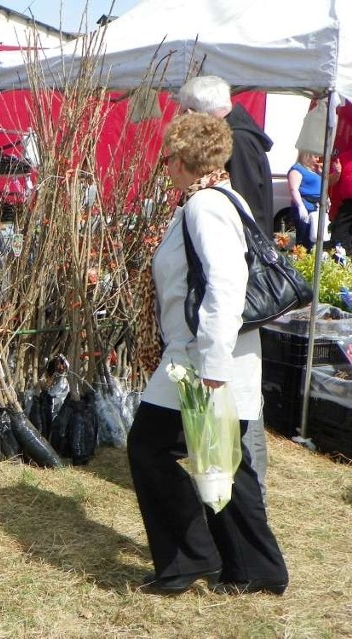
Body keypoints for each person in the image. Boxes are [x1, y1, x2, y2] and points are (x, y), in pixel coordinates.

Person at [129, 113, 288, 596]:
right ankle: (254, 569)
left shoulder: (205, 206)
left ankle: (193, 559)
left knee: (151, 447)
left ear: (180, 160)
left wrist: (213, 367)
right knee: (223, 461)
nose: (164, 166)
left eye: (167, 157)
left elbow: (223, 285)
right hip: (203, 356)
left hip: (204, 360)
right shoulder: (216, 199)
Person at [177, 75, 273, 502]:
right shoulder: (238, 140)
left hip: (236, 303)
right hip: (232, 305)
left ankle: (251, 501)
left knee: (239, 413)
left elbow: (247, 230)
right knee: (233, 413)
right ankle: (241, 499)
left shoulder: (238, 148)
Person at [177, 75, 275, 238]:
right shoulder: (235, 138)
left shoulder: (237, 141)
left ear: (192, 114)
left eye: (184, 114)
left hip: (239, 252)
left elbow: (244, 206)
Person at [288, 151, 340, 250]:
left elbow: (322, 186)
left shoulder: (314, 170)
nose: (317, 160)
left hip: (317, 207)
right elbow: (293, 189)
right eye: (315, 157)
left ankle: (311, 257)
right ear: (306, 156)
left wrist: (327, 198)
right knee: (304, 237)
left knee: (315, 237)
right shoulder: (297, 169)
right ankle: (301, 258)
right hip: (306, 206)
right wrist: (300, 206)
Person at [329, 149, 352, 253]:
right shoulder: (343, 157)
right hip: (348, 203)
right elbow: (330, 182)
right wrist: (337, 173)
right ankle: (344, 258)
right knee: (339, 232)